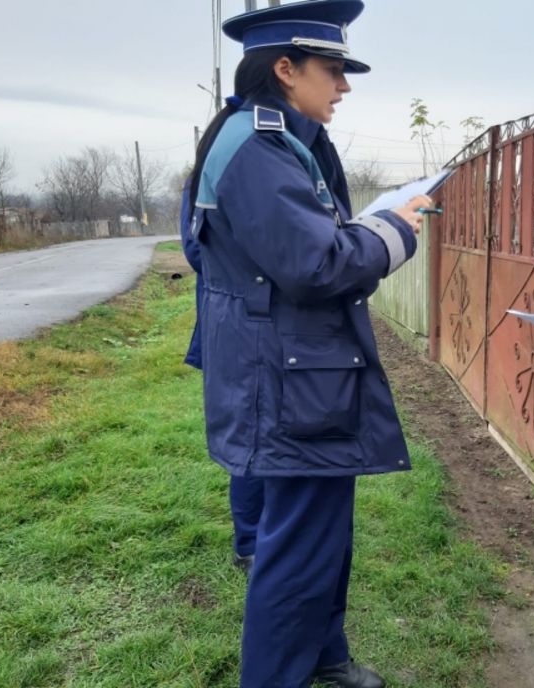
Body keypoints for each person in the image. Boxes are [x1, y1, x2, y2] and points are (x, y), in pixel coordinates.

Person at [188, 1, 432, 686]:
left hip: (303, 370)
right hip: (289, 377)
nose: (344, 86)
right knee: (297, 546)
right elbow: (316, 263)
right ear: (286, 69)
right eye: (334, 71)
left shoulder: (274, 138)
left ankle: (325, 654)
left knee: (322, 534)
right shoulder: (257, 146)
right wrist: (395, 231)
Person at [179, 180, 264, 576]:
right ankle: (248, 545)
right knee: (248, 436)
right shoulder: (207, 181)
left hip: (254, 322)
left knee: (264, 432)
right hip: (236, 324)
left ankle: (265, 537)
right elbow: (197, 250)